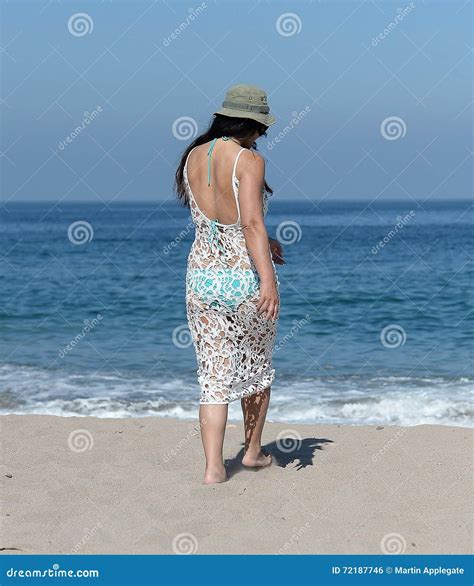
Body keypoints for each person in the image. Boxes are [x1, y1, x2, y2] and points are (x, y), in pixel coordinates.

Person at [175, 84, 284, 484]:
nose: (262, 136)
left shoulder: (192, 157)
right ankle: (252, 453)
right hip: (243, 279)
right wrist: (268, 282)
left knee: (213, 374)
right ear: (250, 124)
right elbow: (251, 222)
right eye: (261, 128)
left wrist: (264, 241)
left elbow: (223, 220)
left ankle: (213, 469)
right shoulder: (249, 160)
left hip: (201, 278)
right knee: (256, 368)